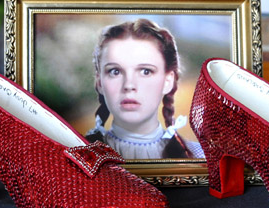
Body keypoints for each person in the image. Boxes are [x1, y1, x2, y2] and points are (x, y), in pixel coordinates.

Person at [85, 18, 204, 159]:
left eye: (145, 71)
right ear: (99, 82)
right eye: (115, 71)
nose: (129, 85)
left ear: (168, 81)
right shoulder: (77, 156)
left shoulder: (198, 157)